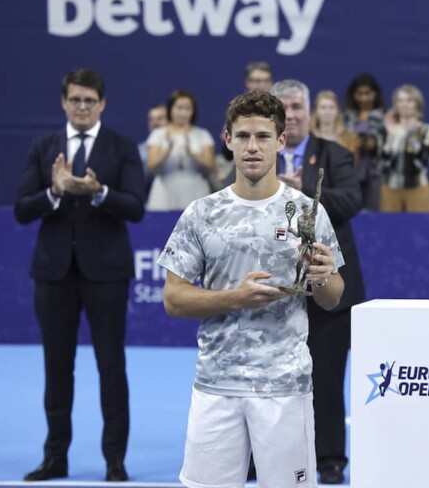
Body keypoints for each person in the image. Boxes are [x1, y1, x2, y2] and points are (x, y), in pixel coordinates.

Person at [158, 89, 346, 488]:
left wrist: (324, 277)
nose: (252, 147)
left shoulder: (309, 212)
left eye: (263, 136)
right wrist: (234, 298)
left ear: (281, 141)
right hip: (216, 386)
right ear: (227, 140)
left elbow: (333, 298)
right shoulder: (202, 214)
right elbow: (173, 299)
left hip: (285, 387)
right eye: (242, 136)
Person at [14, 68, 145, 482]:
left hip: (106, 273)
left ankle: (115, 461)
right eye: (76, 100)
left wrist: (98, 192)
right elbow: (21, 209)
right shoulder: (43, 146)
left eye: (90, 100)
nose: (83, 107)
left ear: (102, 104)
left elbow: (136, 206)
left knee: (111, 366)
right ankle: (55, 458)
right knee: (56, 368)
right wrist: (54, 192)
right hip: (53, 274)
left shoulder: (122, 146)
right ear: (64, 102)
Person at [271, 79, 367, 484]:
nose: (291, 115)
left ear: (309, 111)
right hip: (274, 289)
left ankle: (329, 459)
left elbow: (351, 202)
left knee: (325, 376)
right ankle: (265, 455)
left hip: (328, 288)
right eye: (284, 108)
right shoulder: (255, 154)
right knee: (271, 376)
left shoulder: (335, 154)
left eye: (297, 107)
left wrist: (304, 191)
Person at [145, 90, 215, 210]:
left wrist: (192, 153)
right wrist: (167, 149)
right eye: (179, 108)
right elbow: (151, 166)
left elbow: (210, 167)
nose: (183, 113)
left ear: (193, 111)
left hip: (195, 191)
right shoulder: (158, 134)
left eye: (187, 109)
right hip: (164, 192)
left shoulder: (203, 135)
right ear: (170, 109)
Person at [379, 84, 429, 212]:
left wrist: (409, 135)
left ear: (418, 104)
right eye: (400, 101)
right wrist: (391, 138)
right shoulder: (387, 130)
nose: (404, 104)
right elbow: (383, 164)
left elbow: (423, 162)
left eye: (409, 100)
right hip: (390, 189)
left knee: (421, 230)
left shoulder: (428, 130)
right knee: (389, 229)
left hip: (418, 188)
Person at [344, 73, 386, 210]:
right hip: (351, 171)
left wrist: (371, 143)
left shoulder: (386, 117)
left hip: (375, 172)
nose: (364, 98)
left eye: (367, 93)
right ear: (353, 95)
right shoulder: (346, 116)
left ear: (375, 94)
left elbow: (386, 145)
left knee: (373, 212)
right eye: (359, 94)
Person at [312, 89, 359, 154]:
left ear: (338, 111)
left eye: (331, 107)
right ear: (316, 111)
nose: (327, 112)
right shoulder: (306, 138)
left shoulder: (349, 139)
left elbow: (353, 162)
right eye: (323, 107)